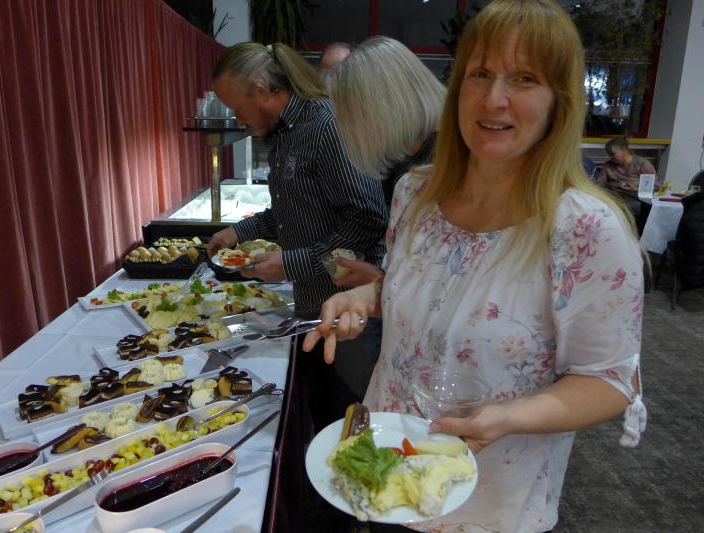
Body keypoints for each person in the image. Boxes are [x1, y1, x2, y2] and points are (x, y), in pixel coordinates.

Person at [304, 1, 645, 532]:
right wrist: (366, 297)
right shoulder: (416, 193)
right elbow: (429, 290)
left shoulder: (585, 228)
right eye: (480, 73)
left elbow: (609, 379)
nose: (494, 98)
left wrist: (508, 417)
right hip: (384, 471)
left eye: (525, 78)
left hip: (487, 502)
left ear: (560, 102)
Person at [207, 42, 388, 430]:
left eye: (237, 107)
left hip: (350, 312)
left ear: (260, 90)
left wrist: (291, 263)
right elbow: (292, 212)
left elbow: (368, 220)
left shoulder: (325, 126)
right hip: (313, 307)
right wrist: (239, 231)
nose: (238, 119)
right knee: (321, 418)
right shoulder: (287, 133)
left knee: (350, 422)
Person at [324, 35, 446, 288]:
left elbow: (438, 282)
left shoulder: (442, 161)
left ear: (383, 107)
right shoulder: (407, 154)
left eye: (350, 115)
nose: (348, 129)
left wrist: (379, 281)